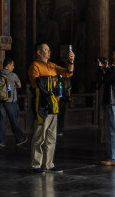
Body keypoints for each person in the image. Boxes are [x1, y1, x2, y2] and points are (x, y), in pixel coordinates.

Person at [27, 43, 75, 173]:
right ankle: (36, 164)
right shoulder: (35, 66)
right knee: (39, 136)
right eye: (46, 50)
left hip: (53, 103)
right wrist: (54, 78)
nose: (49, 52)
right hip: (41, 104)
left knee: (51, 137)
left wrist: (71, 61)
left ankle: (48, 164)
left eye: (49, 50)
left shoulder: (52, 65)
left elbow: (67, 73)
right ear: (39, 52)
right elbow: (37, 83)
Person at [0, 57, 27, 148]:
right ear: (8, 65)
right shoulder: (13, 75)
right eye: (12, 65)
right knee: (13, 120)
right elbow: (19, 86)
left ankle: (1, 141)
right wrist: (12, 88)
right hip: (10, 101)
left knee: (1, 120)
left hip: (0, 100)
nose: (13, 67)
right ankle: (20, 139)